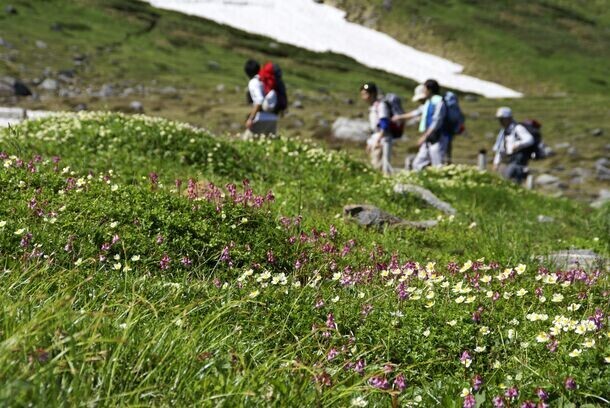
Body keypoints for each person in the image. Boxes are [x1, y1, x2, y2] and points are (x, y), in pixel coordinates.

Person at [411, 79, 450, 171]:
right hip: (430, 138)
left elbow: (437, 121)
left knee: (438, 166)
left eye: (424, 89)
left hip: (439, 138)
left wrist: (425, 136)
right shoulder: (429, 102)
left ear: (429, 90)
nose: (423, 91)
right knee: (417, 163)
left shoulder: (439, 102)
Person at [492, 107, 535, 183]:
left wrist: (518, 145)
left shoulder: (518, 128)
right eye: (500, 119)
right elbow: (501, 149)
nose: (500, 122)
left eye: (502, 119)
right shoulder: (503, 132)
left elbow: (530, 139)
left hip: (518, 162)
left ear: (509, 118)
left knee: (509, 180)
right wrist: (496, 163)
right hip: (508, 161)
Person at [360, 82, 393, 175]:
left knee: (381, 165)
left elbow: (384, 122)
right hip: (376, 137)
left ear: (373, 94)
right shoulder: (373, 107)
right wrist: (370, 142)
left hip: (382, 138)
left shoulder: (381, 105)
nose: (363, 97)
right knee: (375, 163)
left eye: (365, 94)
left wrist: (378, 140)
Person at [243, 59, 278, 138]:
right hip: (273, 118)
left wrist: (251, 119)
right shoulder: (265, 80)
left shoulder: (254, 82)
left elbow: (259, 100)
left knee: (246, 143)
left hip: (260, 118)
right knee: (269, 147)